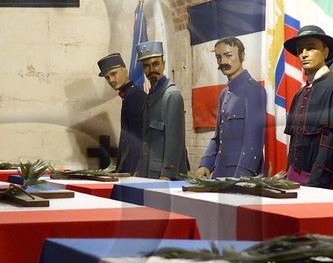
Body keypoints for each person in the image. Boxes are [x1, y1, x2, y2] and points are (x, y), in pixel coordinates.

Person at [281, 25, 333, 188]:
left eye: (310, 48)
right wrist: (288, 176)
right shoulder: (300, 94)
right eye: (300, 50)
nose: (304, 54)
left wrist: (315, 185)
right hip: (293, 179)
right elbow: (294, 141)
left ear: (325, 52)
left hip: (321, 183)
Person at [193, 37, 268, 178]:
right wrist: (205, 164)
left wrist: (242, 176)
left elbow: (254, 142)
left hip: (242, 175)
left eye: (228, 55)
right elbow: (217, 138)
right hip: (221, 173)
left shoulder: (253, 91)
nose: (222, 62)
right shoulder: (224, 94)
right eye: (218, 57)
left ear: (242, 56)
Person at [135, 40, 188, 178]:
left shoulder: (172, 96)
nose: (152, 70)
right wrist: (139, 169)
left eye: (156, 64)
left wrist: (168, 173)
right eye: (146, 66)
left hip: (163, 176)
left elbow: (175, 141)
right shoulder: (151, 96)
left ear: (163, 64)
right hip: (148, 173)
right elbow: (147, 139)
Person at [97, 51, 146, 173]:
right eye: (107, 77)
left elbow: (137, 138)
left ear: (125, 70)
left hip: (134, 166)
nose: (111, 80)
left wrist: (137, 168)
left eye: (114, 74)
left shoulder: (133, 96)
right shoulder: (129, 94)